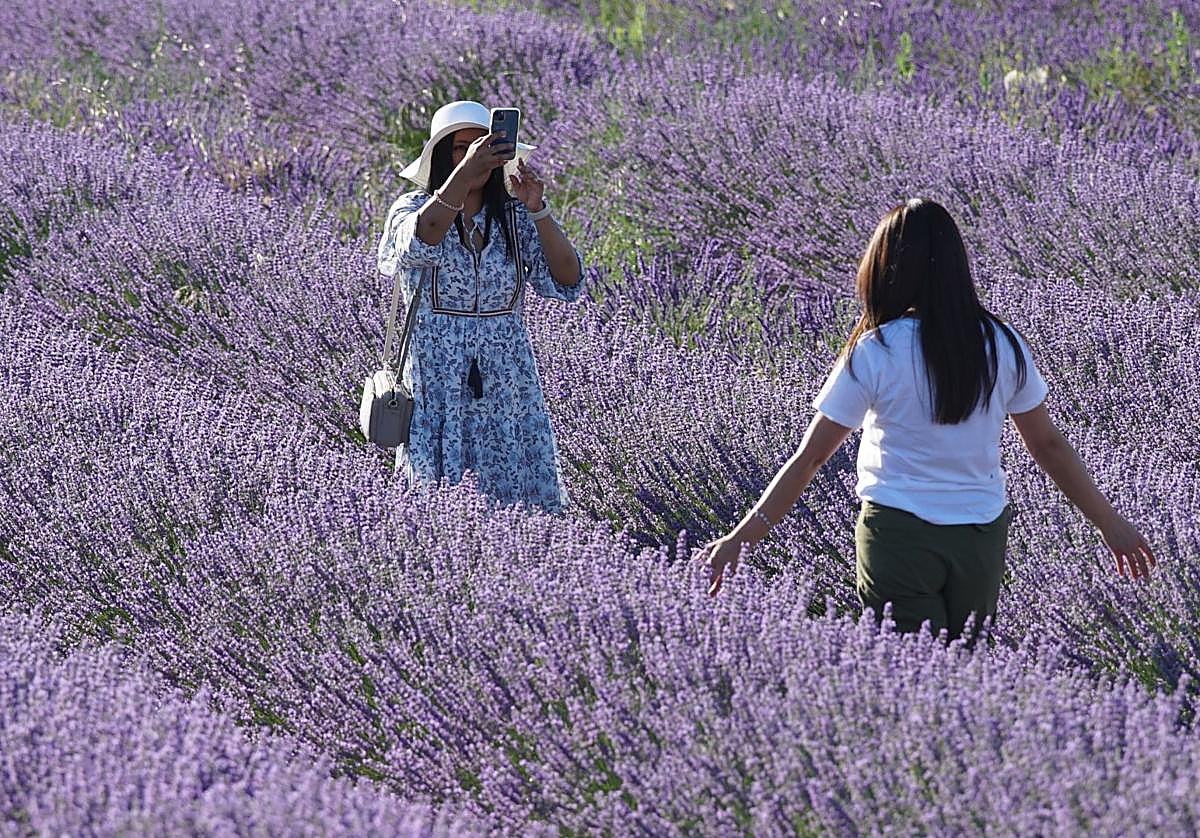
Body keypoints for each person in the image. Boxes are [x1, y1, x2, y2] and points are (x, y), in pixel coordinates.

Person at [697, 199, 1155, 640]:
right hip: (979, 538)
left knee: (914, 673)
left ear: (883, 270)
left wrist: (742, 538)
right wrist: (1109, 524)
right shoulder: (1000, 343)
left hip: (899, 536)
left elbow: (811, 458)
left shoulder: (876, 350)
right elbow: (1048, 447)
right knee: (965, 670)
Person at [376, 100, 585, 512]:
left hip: (507, 376)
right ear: (440, 157)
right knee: (441, 497)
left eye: (481, 147)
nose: (472, 156)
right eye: (460, 148)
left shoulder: (510, 215)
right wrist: (463, 175)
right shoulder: (411, 209)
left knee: (516, 485)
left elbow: (567, 278)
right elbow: (422, 239)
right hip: (439, 376)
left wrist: (537, 209)